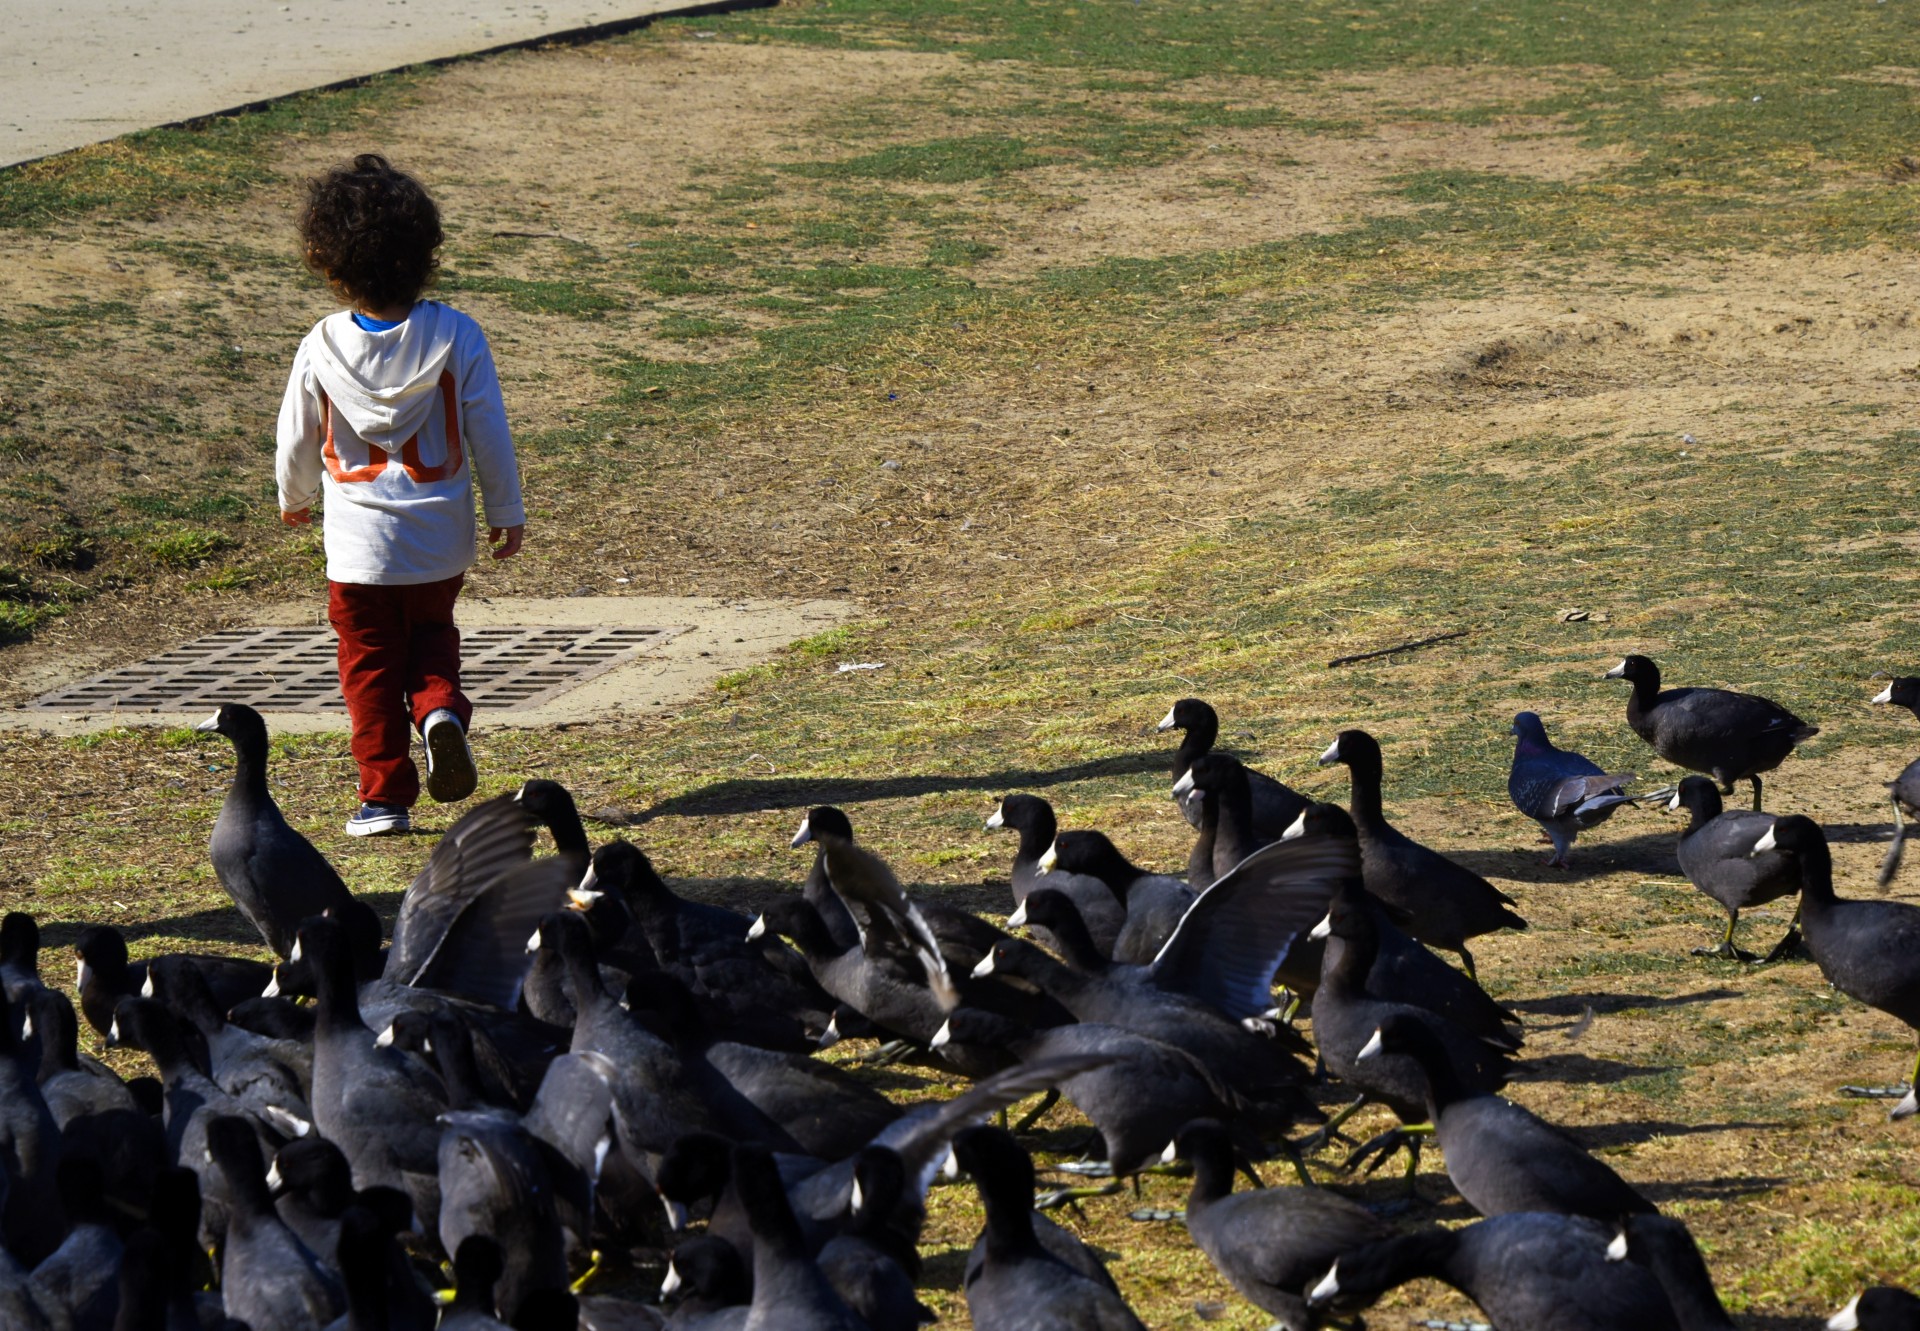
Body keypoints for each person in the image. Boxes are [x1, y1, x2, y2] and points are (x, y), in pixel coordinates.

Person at [275, 153, 525, 837]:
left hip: (356, 549)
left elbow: (297, 437)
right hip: (437, 535)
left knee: (368, 667)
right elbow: (489, 432)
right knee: (433, 635)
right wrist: (506, 510)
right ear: (425, 255)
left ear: (330, 264)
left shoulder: (320, 346)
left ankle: (383, 797)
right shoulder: (457, 335)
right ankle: (441, 710)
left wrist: (293, 495)